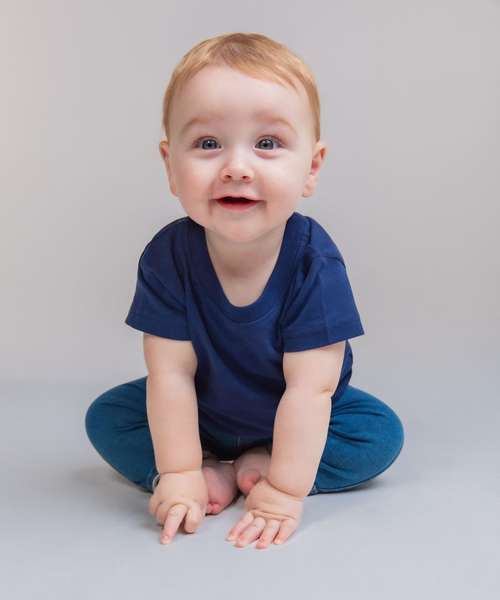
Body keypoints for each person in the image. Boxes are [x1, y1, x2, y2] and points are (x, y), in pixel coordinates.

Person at [85, 32, 404, 550]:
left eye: (268, 144)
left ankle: (266, 462)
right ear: (170, 165)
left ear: (311, 168)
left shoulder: (313, 262)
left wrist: (284, 490)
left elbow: (311, 390)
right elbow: (170, 375)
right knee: (109, 418)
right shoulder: (168, 256)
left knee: (377, 435)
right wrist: (181, 470)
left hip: (295, 412)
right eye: (208, 144)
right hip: (203, 412)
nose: (236, 166)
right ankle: (210, 469)